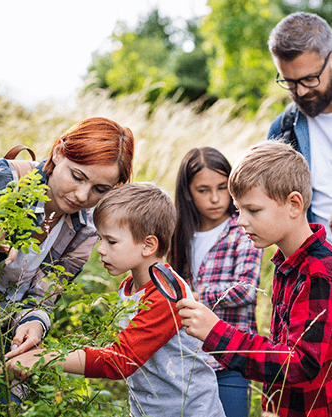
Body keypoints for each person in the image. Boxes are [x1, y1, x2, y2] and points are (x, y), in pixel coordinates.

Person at [0, 117, 134, 412]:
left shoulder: (85, 229)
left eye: (99, 189)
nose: (82, 195)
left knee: (6, 405)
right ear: (58, 153)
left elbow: (44, 295)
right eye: (77, 176)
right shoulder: (3, 180)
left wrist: (34, 324)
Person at [6, 182, 226, 417]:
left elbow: (120, 361)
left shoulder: (165, 294)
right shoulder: (129, 287)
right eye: (100, 238)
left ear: (148, 245)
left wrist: (44, 358)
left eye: (111, 241)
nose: (100, 249)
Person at [177, 141, 332, 417]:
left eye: (253, 210)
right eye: (238, 210)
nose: (241, 221)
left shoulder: (318, 272)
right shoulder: (288, 264)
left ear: (294, 204)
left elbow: (298, 364)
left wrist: (217, 333)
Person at [168, 147, 262, 417]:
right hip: (187, 361)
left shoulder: (244, 230)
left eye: (223, 188)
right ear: (187, 192)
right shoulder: (179, 234)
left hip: (229, 359)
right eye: (203, 190)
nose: (215, 198)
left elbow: (246, 289)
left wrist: (194, 296)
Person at [267, 12, 332, 244]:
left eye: (309, 79)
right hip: (318, 273)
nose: (302, 92)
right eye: (290, 83)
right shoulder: (282, 130)